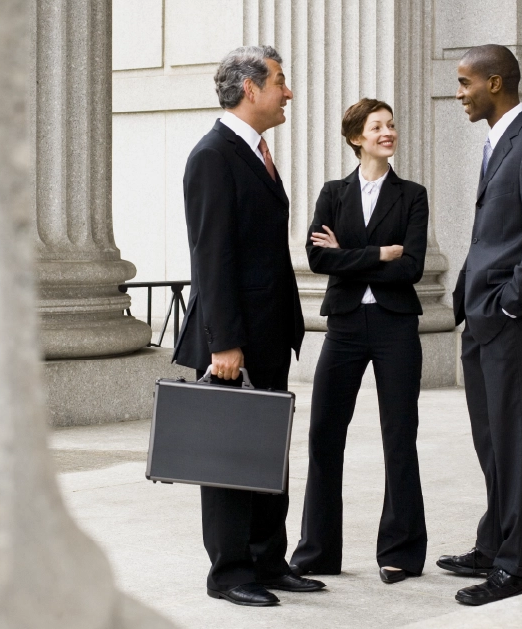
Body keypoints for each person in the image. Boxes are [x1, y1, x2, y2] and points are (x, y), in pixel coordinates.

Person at [172, 45, 325, 607]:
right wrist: (225, 343)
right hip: (234, 340)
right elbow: (210, 258)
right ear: (250, 89)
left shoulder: (256, 152)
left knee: (266, 451)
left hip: (268, 332)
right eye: (280, 81)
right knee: (231, 456)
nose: (288, 92)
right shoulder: (212, 155)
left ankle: (266, 560)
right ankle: (231, 573)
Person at [439, 44, 522, 606]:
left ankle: (517, 567)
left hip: (511, 319)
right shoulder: (500, 143)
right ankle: (495, 541)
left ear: (495, 82)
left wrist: (512, 303)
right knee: (491, 439)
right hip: (484, 317)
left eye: (466, 82)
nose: (460, 93)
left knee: (515, 442)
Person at [288, 98, 429, 585]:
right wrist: (378, 254)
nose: (388, 132)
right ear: (356, 138)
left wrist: (350, 254)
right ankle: (318, 551)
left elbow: (410, 267)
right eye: (377, 127)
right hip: (345, 326)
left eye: (391, 124)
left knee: (399, 436)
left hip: (395, 327)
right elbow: (316, 259)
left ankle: (401, 553)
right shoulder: (333, 193)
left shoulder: (412, 195)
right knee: (324, 433)